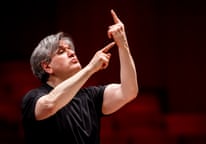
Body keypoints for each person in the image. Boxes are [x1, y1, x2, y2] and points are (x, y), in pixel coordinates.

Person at [21, 9, 138, 144]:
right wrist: (90, 68)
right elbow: (49, 105)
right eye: (61, 51)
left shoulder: (92, 97)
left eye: (71, 49)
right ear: (47, 66)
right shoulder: (33, 97)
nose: (71, 53)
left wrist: (123, 45)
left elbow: (129, 91)